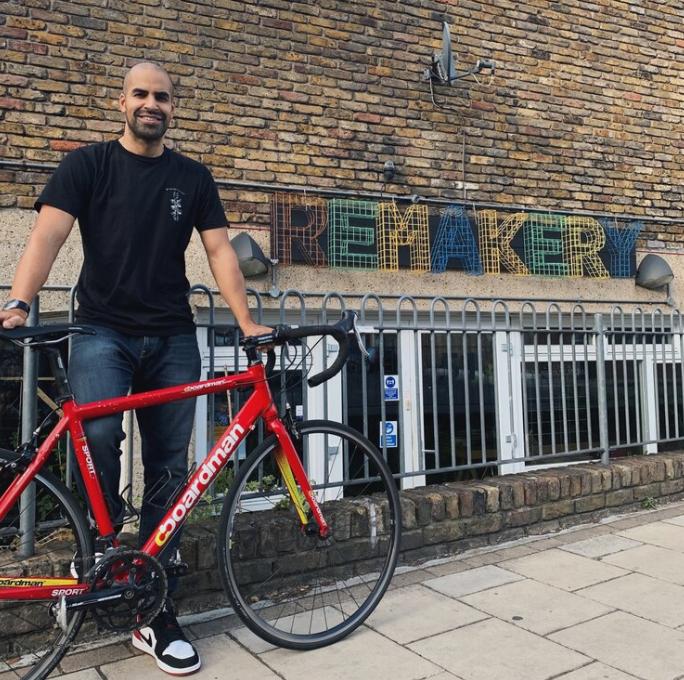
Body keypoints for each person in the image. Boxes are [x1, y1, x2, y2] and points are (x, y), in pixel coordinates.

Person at [0, 62, 271, 676]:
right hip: (101, 331)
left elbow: (220, 250)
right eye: (142, 95)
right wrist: (19, 300)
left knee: (170, 467)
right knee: (96, 438)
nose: (152, 104)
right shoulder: (88, 165)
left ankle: (152, 603)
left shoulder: (191, 177)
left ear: (174, 107)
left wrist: (248, 321)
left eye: (163, 97)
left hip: (173, 335)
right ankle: (95, 556)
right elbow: (46, 235)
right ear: (122, 102)